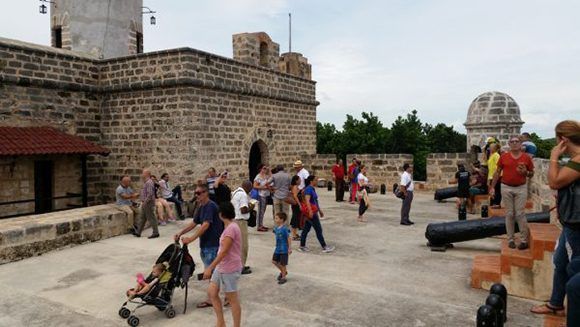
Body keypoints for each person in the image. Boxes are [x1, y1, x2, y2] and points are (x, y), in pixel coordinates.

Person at [530, 120, 580, 326]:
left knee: (574, 270)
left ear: (563, 139)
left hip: (576, 224)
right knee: (560, 261)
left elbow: (554, 182)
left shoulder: (578, 160)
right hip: (570, 221)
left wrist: (553, 157)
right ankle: (556, 303)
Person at [174, 184, 224, 309]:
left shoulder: (210, 206)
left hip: (212, 244)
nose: (197, 195)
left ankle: (212, 299)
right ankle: (227, 295)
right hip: (206, 244)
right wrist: (181, 233)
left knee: (211, 273)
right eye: (195, 193)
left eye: (199, 193)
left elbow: (205, 225)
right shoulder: (201, 207)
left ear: (206, 193)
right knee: (215, 272)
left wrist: (190, 239)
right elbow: (194, 223)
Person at [490, 136, 534, 250]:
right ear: (509, 144)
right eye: (512, 141)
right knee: (509, 214)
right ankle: (510, 239)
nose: (514, 143)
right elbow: (497, 172)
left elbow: (531, 173)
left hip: (521, 187)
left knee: (520, 213)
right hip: (506, 187)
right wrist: (492, 187)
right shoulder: (504, 157)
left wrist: (525, 172)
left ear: (521, 144)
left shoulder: (526, 158)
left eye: (517, 141)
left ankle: (524, 240)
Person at [203, 202, 242, 327]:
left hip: (229, 268)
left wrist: (209, 267)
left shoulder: (231, 229)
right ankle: (221, 322)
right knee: (212, 292)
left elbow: (224, 251)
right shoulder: (229, 227)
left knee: (232, 299)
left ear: (221, 215)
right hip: (221, 267)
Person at [298, 175, 335, 253]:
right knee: (318, 230)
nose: (317, 181)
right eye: (315, 180)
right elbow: (307, 201)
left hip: (313, 211)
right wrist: (310, 211)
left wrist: (320, 210)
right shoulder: (308, 190)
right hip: (312, 213)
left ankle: (302, 246)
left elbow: (315, 201)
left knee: (306, 229)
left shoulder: (312, 189)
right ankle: (324, 246)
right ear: (311, 181)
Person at [231, 180, 254, 275]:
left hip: (234, 220)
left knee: (236, 245)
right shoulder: (243, 195)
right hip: (240, 222)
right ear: (248, 187)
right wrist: (251, 206)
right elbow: (243, 210)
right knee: (243, 245)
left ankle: (237, 265)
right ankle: (241, 266)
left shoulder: (236, 192)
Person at [132, 169, 160, 239]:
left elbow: (150, 194)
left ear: (147, 174)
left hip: (148, 203)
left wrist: (145, 202)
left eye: (143, 173)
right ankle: (138, 232)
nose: (142, 174)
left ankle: (155, 232)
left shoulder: (149, 182)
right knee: (142, 218)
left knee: (151, 218)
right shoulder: (147, 182)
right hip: (145, 203)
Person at [272, 212, 292, 285]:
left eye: (277, 218)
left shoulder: (285, 229)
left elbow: (288, 238)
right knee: (274, 261)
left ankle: (283, 277)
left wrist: (289, 248)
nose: (275, 219)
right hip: (277, 248)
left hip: (284, 249)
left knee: (283, 264)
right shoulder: (276, 228)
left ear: (282, 220)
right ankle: (284, 272)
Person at [253, 164, 272, 232]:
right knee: (261, 210)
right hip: (261, 195)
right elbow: (254, 186)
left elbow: (272, 178)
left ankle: (261, 224)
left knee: (263, 211)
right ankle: (259, 226)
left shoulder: (266, 176)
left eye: (265, 168)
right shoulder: (258, 176)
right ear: (260, 169)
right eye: (264, 168)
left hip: (266, 195)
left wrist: (269, 170)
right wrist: (263, 187)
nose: (265, 169)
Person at [487, 143, 502, 208]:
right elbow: (490, 168)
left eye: (491, 147)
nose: (489, 148)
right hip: (491, 176)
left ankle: (496, 203)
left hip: (495, 176)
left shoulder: (496, 155)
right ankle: (493, 203)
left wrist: (494, 176)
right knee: (492, 191)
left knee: (496, 190)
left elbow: (498, 166)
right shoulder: (492, 155)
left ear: (495, 148)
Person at [289, 175, 302, 241]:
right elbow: (295, 196)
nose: (300, 180)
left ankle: (295, 233)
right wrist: (299, 204)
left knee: (296, 218)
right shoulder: (295, 187)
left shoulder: (296, 187)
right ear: (296, 181)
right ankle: (294, 235)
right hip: (296, 205)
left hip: (296, 204)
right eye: (299, 179)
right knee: (295, 218)